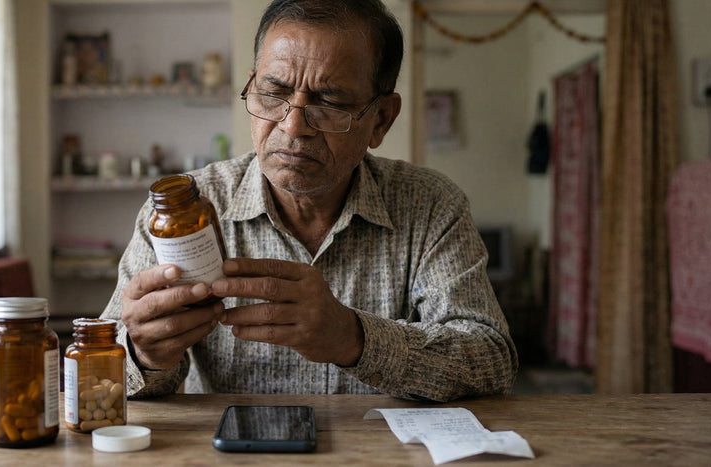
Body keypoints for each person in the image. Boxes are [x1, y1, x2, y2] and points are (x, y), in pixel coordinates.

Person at [100, 0, 517, 402]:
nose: (294, 126)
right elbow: (103, 378)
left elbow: (490, 359)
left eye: (330, 102)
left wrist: (354, 338)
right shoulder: (187, 209)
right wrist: (145, 356)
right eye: (274, 93)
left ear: (382, 119)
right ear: (250, 87)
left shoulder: (429, 204)